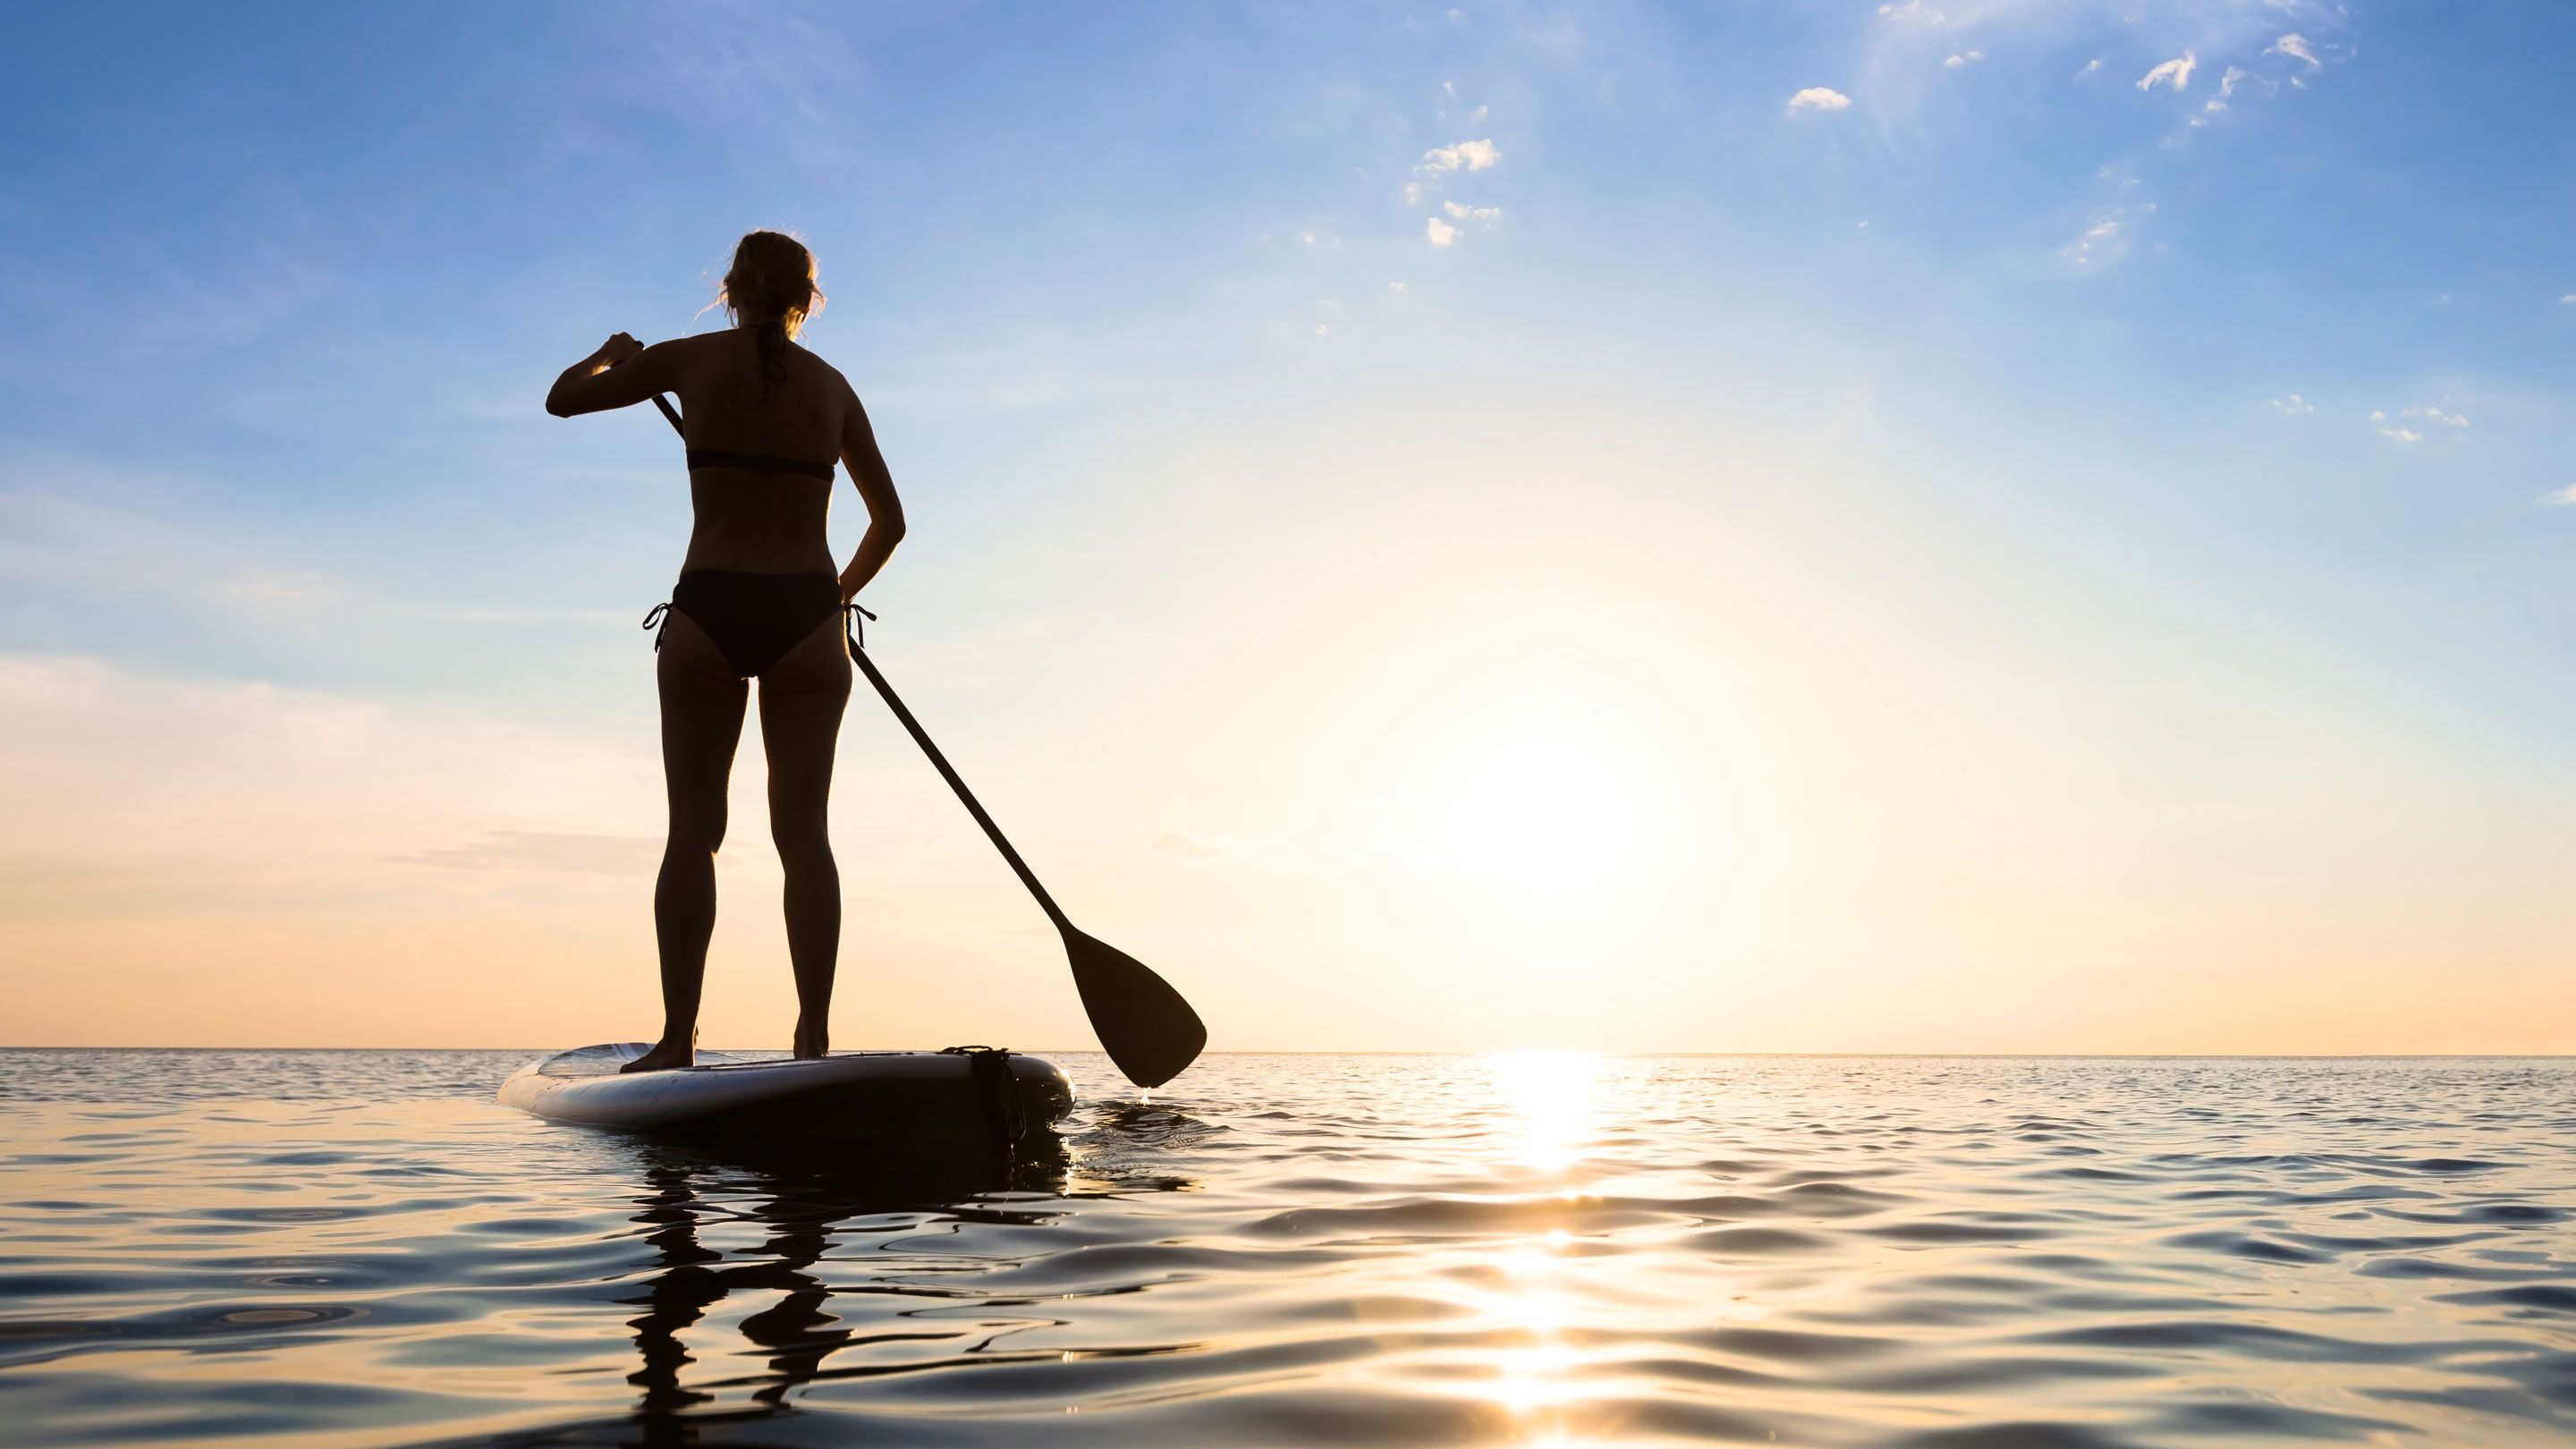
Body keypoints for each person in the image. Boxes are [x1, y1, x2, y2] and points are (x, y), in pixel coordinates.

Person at [546, 231, 904, 1072]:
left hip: (710, 609)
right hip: (808, 620)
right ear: (805, 299)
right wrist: (834, 601)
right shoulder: (833, 389)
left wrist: (607, 356)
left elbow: (564, 399)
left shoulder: (688, 360)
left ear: (731, 288)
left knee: (693, 837)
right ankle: (812, 1039)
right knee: (804, 838)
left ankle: (677, 1042)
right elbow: (890, 522)